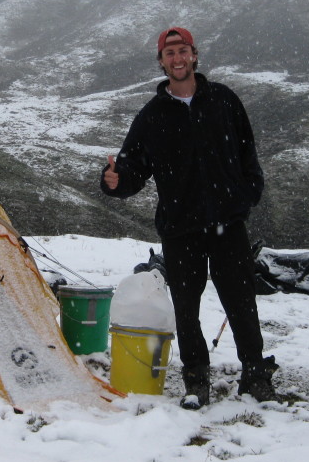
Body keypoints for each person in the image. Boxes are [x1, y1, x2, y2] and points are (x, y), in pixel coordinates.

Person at [100, 27, 277, 409]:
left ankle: (256, 375)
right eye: (169, 54)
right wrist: (114, 181)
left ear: (195, 55)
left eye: (182, 51)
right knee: (186, 308)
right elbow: (133, 168)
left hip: (228, 224)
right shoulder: (151, 117)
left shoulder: (224, 101)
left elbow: (248, 152)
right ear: (161, 63)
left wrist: (247, 194)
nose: (177, 59)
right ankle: (196, 380)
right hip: (181, 229)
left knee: (241, 302)